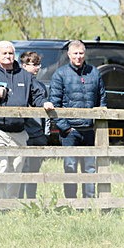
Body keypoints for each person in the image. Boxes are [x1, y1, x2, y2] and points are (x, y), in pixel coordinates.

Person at [0, 41, 52, 199]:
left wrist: (44, 103)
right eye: (4, 53)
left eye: (10, 53)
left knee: (15, 170)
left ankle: (11, 206)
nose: (8, 56)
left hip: (19, 131)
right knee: (0, 168)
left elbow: (36, 96)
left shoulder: (25, 75)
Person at [48, 40, 106, 198]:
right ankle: (71, 202)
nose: (78, 57)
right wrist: (65, 127)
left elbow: (102, 99)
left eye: (81, 53)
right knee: (70, 167)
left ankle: (89, 202)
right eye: (75, 53)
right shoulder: (60, 74)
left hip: (89, 130)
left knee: (90, 168)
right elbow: (54, 104)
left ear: (84, 54)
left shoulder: (94, 72)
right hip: (69, 132)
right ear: (69, 54)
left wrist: (98, 123)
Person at [18, 51, 48, 199]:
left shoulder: (41, 85)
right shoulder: (19, 84)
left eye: (38, 64)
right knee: (22, 168)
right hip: (24, 132)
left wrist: (45, 133)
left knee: (34, 170)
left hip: (38, 134)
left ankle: (31, 199)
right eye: (34, 64)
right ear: (24, 65)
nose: (37, 68)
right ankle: (18, 199)